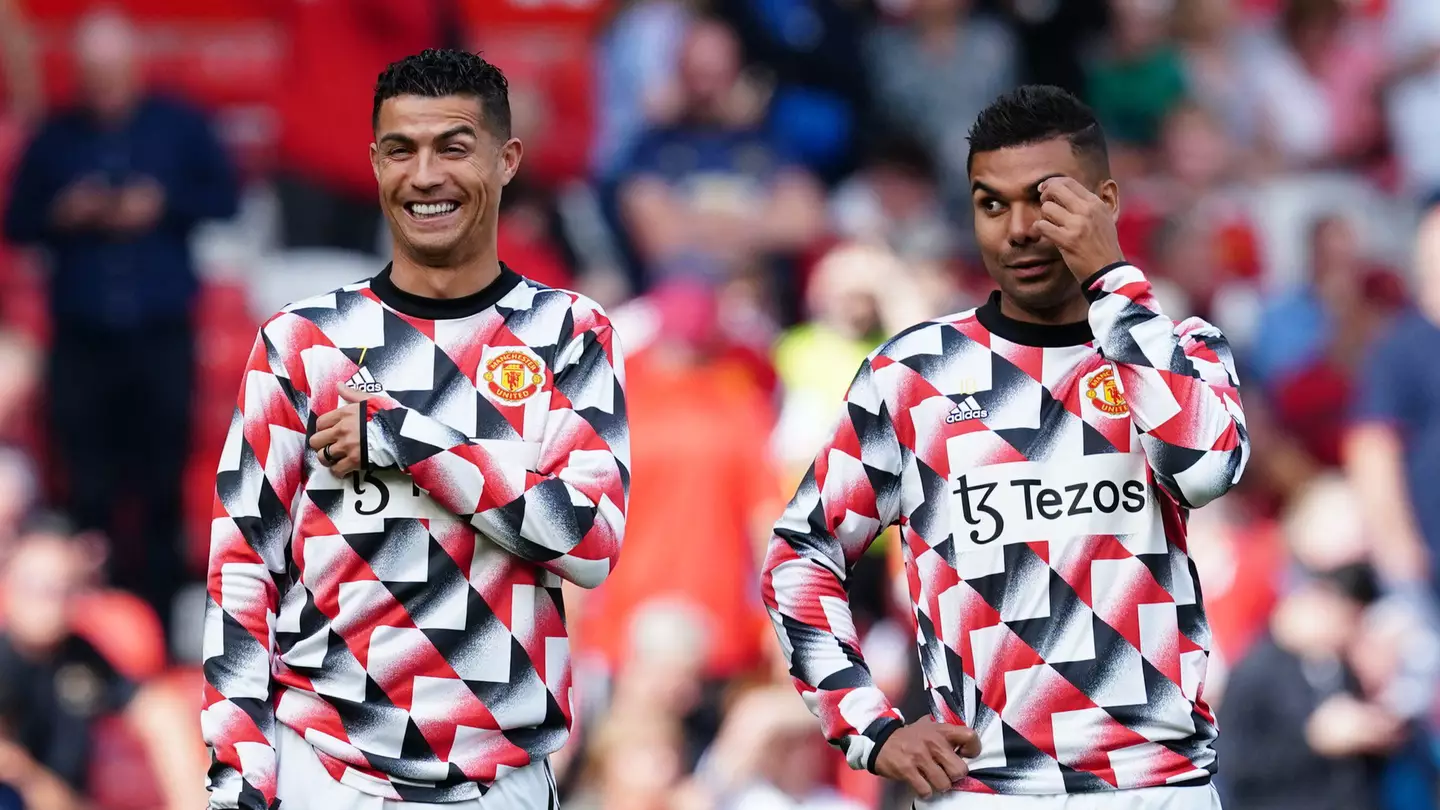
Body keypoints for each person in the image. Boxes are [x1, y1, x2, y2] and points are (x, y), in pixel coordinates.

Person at [760, 85, 1249, 809]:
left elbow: (1204, 468)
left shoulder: (1180, 349)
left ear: (1104, 203)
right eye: (992, 204)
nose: (1018, 229)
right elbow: (800, 556)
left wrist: (1112, 280)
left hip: (1158, 787)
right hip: (985, 791)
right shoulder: (913, 376)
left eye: (1046, 201)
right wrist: (868, 726)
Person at [200, 49, 630, 810]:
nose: (425, 175)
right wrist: (237, 781)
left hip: (498, 779)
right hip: (326, 773)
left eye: (454, 148)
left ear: (507, 161)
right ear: (373, 163)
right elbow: (241, 575)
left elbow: (588, 543)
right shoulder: (302, 341)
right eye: (401, 149)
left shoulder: (567, 332)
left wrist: (413, 444)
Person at [2, 9, 239, 628]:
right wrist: (67, 212)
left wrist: (161, 205)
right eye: (92, 74)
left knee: (160, 490)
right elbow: (19, 220)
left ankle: (156, 631)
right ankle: (86, 634)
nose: (103, 86)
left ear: (133, 67)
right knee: (89, 493)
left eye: (113, 72)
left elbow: (225, 197)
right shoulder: (56, 137)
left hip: (160, 335)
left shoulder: (178, 125)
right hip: (82, 340)